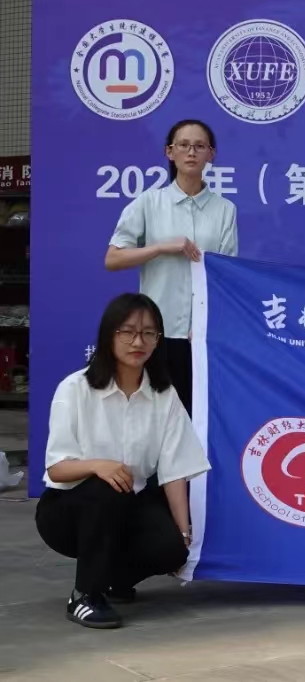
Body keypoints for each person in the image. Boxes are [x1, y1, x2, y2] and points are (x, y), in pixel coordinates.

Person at [35, 293, 211, 629]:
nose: (138, 342)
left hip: (130, 504)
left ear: (158, 340)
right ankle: (85, 595)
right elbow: (57, 468)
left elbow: (175, 471)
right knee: (107, 486)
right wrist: (97, 465)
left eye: (148, 333)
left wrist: (183, 534)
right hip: (69, 510)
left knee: (170, 550)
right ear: (108, 335)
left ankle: (114, 578)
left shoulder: (164, 395)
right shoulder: (75, 389)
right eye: (127, 332)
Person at [105, 119, 238, 416]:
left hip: (200, 336)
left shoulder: (225, 210)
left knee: (194, 418)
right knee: (151, 415)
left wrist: (206, 322)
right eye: (184, 145)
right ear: (169, 152)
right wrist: (160, 247)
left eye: (199, 146)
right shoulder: (148, 203)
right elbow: (113, 259)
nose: (191, 152)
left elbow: (226, 276)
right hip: (154, 332)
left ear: (211, 154)